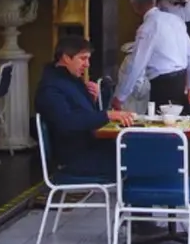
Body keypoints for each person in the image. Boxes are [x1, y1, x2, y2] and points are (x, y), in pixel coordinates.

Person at [35, 35, 134, 181]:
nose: (87, 64)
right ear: (66, 58)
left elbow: (83, 115)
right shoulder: (51, 87)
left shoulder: (71, 80)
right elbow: (66, 121)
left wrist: (92, 99)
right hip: (74, 158)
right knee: (135, 160)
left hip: (89, 148)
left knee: (135, 151)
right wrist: (108, 115)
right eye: (82, 58)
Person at [113, 0, 190, 113]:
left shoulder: (148, 27)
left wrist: (120, 96)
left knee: (160, 128)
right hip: (180, 82)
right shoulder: (175, 20)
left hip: (162, 85)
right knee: (179, 127)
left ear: (135, 6)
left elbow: (137, 64)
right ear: (154, 1)